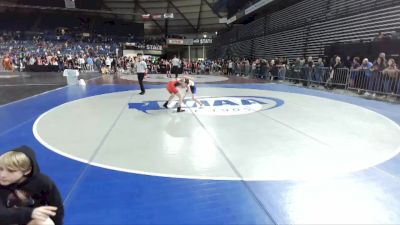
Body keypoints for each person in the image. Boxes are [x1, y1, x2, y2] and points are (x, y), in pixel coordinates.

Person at [0, 146, 64, 225]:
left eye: (11, 171)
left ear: (27, 170)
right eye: (0, 169)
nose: (2, 175)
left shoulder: (42, 182)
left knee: (44, 222)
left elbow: (56, 208)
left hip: (27, 220)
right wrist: (30, 213)